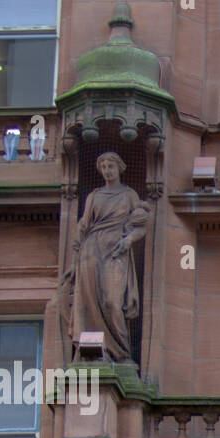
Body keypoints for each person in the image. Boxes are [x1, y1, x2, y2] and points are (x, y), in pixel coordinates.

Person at [65, 151, 150, 363]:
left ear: (119, 168)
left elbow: (140, 227)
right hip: (90, 251)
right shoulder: (94, 196)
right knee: (87, 303)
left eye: (110, 166)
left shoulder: (129, 195)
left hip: (115, 252)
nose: (107, 171)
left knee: (112, 302)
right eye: (103, 167)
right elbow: (83, 227)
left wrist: (129, 240)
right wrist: (75, 260)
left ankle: (121, 354)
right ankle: (93, 352)